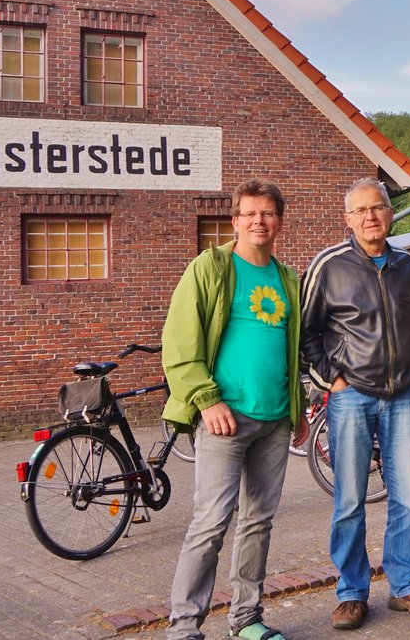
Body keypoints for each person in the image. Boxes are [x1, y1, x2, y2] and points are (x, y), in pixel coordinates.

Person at [162, 179, 302, 640]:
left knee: (258, 521)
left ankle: (246, 620)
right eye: (249, 214)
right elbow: (179, 342)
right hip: (224, 418)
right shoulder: (211, 267)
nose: (258, 221)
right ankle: (183, 627)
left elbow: (291, 348)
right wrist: (206, 400)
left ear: (278, 221)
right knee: (211, 522)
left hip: (275, 419)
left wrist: (295, 411)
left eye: (267, 213)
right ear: (235, 220)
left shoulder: (286, 278)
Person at [301, 178, 410, 631]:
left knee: (408, 498)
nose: (370, 217)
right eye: (360, 211)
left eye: (377, 208)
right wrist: (332, 380)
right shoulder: (329, 265)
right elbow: (306, 334)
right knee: (349, 501)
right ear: (348, 218)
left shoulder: (408, 266)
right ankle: (352, 593)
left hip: (401, 396)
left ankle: (406, 585)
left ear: (390, 212)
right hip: (351, 397)